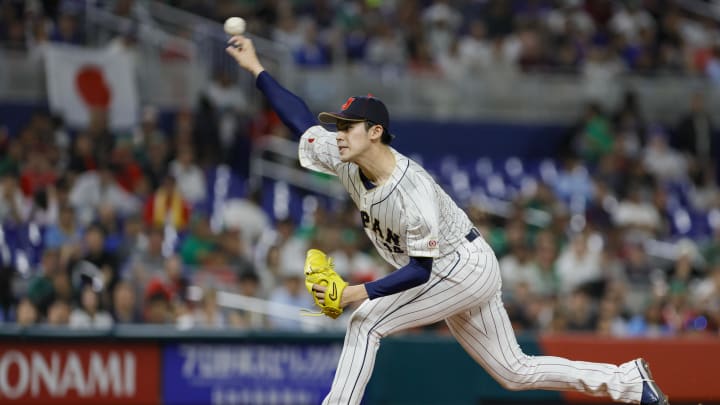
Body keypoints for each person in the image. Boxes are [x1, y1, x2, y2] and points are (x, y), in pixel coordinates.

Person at [225, 35, 668, 405]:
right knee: (514, 371)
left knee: (365, 321)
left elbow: (422, 270)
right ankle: (629, 382)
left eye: (348, 127)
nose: (338, 135)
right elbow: (299, 119)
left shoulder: (411, 190)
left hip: (459, 267)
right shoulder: (343, 155)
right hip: (455, 268)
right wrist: (257, 69)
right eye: (338, 127)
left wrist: (355, 293)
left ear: (375, 132)